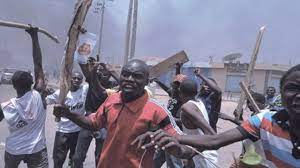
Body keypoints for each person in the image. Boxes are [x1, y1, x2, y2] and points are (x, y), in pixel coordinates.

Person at [138, 64, 300, 168]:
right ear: (282, 92)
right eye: (292, 88)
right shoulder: (264, 120)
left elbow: (211, 134)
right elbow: (215, 140)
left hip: (201, 153)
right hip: (195, 147)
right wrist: (174, 136)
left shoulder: (190, 106)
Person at [53, 59, 181, 168]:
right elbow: (93, 123)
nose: (130, 79)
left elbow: (180, 140)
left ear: (147, 81)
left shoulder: (157, 111)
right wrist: (68, 114)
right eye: (125, 74)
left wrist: (174, 146)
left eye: (137, 76)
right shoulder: (112, 99)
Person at [0, 27, 48, 168]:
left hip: (14, 150)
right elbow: (38, 63)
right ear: (32, 83)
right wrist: (34, 36)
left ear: (14, 86)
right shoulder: (38, 94)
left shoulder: (6, 107)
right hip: (37, 150)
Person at [72, 57, 119, 168]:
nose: (103, 75)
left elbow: (121, 83)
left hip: (103, 123)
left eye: (106, 74)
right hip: (89, 119)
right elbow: (89, 73)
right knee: (78, 157)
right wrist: (94, 67)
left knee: (100, 157)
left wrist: (111, 70)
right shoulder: (93, 79)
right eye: (101, 73)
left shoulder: (113, 86)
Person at [46, 72, 88, 168]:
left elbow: (92, 81)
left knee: (76, 160)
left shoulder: (84, 90)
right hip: (63, 131)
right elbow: (46, 101)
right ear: (70, 79)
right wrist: (44, 92)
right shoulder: (61, 93)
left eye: (79, 79)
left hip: (78, 131)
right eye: (74, 78)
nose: (76, 80)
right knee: (58, 160)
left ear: (82, 81)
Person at [151, 63, 185, 168]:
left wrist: (172, 119)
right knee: (156, 159)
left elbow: (184, 121)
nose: (175, 86)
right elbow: (168, 88)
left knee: (174, 162)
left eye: (178, 85)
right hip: (165, 131)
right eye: (175, 84)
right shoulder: (174, 93)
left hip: (175, 134)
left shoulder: (183, 99)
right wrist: (158, 81)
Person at [178, 79, 218, 168]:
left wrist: (190, 154)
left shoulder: (187, 107)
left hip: (203, 158)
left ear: (180, 92)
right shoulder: (199, 102)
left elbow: (211, 134)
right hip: (201, 155)